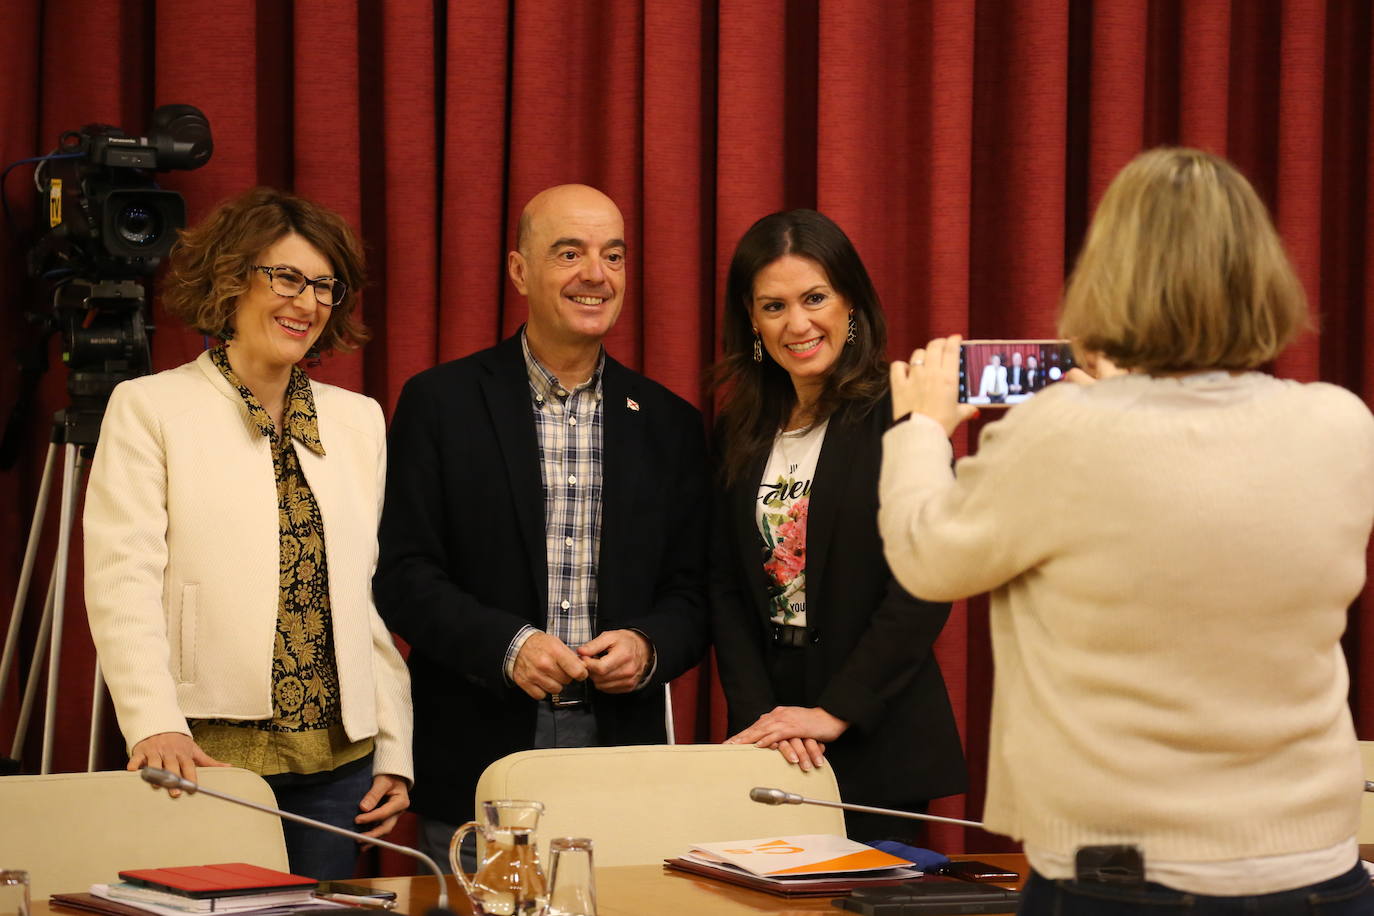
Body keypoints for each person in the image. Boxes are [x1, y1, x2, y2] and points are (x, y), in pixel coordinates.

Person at [879, 148, 1374, 913]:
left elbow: (924, 558)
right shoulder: (1343, 424)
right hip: (1316, 870)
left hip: (1123, 878)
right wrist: (1124, 403)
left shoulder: (1061, 433)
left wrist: (920, 428)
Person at [373, 184, 710, 866]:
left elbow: (696, 592)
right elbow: (404, 576)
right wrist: (509, 645)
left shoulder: (670, 423)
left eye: (612, 255)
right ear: (520, 270)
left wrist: (648, 648)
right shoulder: (441, 403)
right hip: (477, 748)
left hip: (619, 754)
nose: (596, 274)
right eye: (570, 252)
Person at [84, 187, 413, 879]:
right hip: (204, 754)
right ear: (232, 279)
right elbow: (122, 582)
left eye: (324, 285)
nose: (308, 302)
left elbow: (368, 603)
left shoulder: (359, 421)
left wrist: (394, 748)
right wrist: (153, 722)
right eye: (287, 277)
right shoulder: (150, 408)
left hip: (339, 765)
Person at [710, 209, 965, 843]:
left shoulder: (904, 413)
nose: (797, 323)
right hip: (772, 742)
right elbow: (722, 584)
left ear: (851, 303)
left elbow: (925, 584)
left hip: (878, 731)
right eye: (773, 306)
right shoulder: (737, 430)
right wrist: (766, 718)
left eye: (815, 298)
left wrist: (834, 711)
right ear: (751, 320)